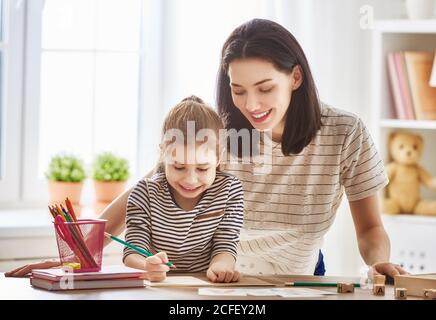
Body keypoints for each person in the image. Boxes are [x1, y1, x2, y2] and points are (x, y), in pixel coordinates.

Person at [6, 19, 406, 279]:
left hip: (295, 277)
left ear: (296, 77)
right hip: (208, 279)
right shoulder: (218, 132)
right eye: (238, 89)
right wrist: (70, 261)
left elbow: (370, 228)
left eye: (265, 88)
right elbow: (139, 196)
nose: (252, 104)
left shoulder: (345, 132)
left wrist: (375, 264)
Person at [123, 96, 244, 282]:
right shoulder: (145, 192)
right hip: (158, 287)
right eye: (179, 167)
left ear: (219, 157)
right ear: (164, 154)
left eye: (203, 168)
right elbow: (132, 250)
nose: (191, 179)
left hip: (204, 285)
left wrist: (221, 267)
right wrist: (146, 265)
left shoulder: (229, 190)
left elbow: (226, 244)